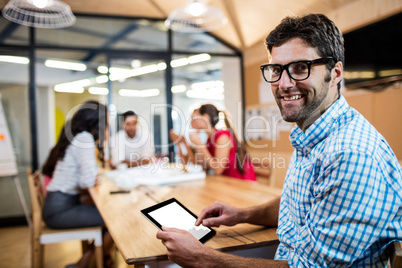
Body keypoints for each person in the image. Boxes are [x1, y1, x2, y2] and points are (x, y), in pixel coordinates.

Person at [156, 14, 402, 267]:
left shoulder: (351, 154)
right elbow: (298, 206)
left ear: (336, 72)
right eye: (276, 69)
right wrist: (242, 214)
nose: (284, 84)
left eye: (300, 68)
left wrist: (201, 258)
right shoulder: (312, 133)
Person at [42, 100, 114, 268]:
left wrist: (94, 177)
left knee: (108, 216)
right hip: (60, 211)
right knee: (113, 220)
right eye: (107, 122)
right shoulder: (85, 138)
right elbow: (89, 180)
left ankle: (82, 264)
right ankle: (97, 261)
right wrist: (96, 177)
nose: (108, 126)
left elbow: (86, 178)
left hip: (58, 205)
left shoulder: (77, 137)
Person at [187, 104, 257, 181]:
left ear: (206, 117)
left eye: (194, 117)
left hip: (243, 183)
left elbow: (217, 170)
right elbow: (202, 167)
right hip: (227, 182)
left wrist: (199, 144)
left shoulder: (222, 137)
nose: (191, 121)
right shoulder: (209, 139)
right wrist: (198, 143)